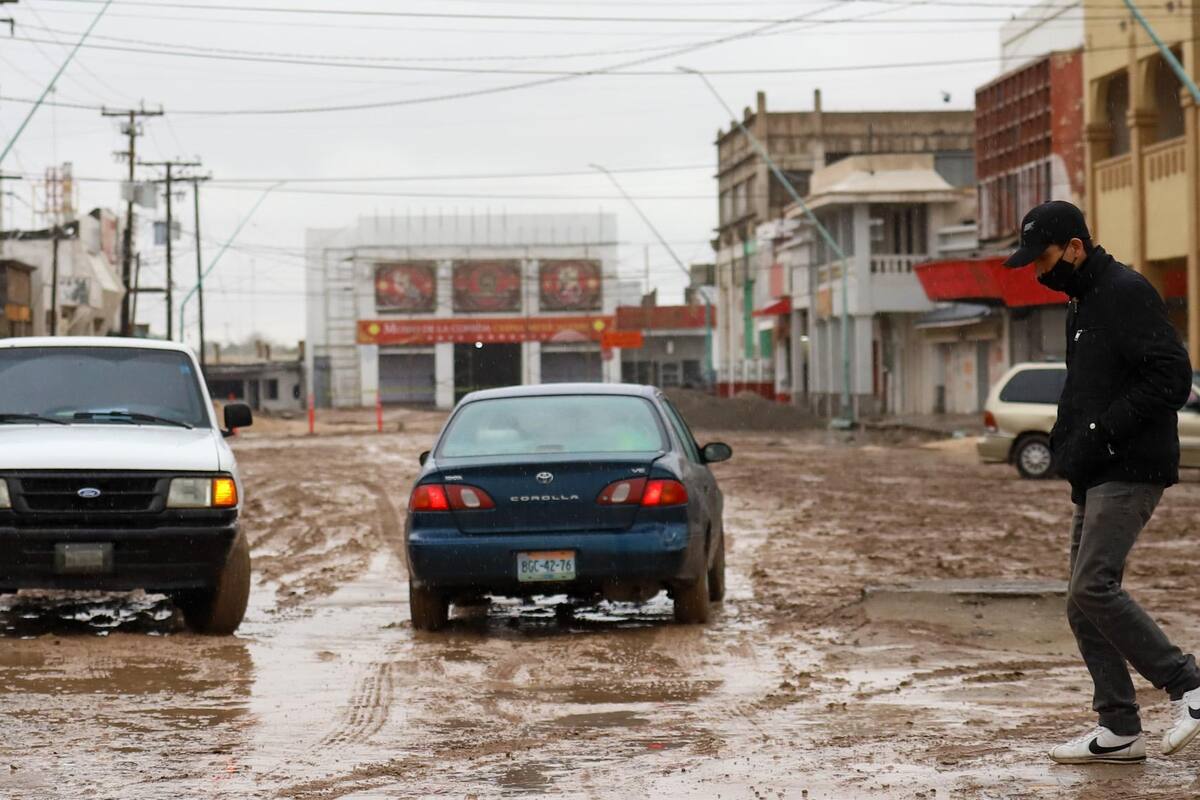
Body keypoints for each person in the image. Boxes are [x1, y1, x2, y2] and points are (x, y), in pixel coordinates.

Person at [1003, 201, 1200, 764]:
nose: (1038, 272)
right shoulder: (1082, 301)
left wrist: (1101, 433)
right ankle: (1119, 729)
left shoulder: (1124, 291)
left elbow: (1172, 377)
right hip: (1097, 470)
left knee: (1093, 586)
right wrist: (1068, 440)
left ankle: (1189, 686)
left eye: (1042, 259)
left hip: (1131, 466)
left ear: (1075, 247)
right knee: (1080, 602)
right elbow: (1086, 386)